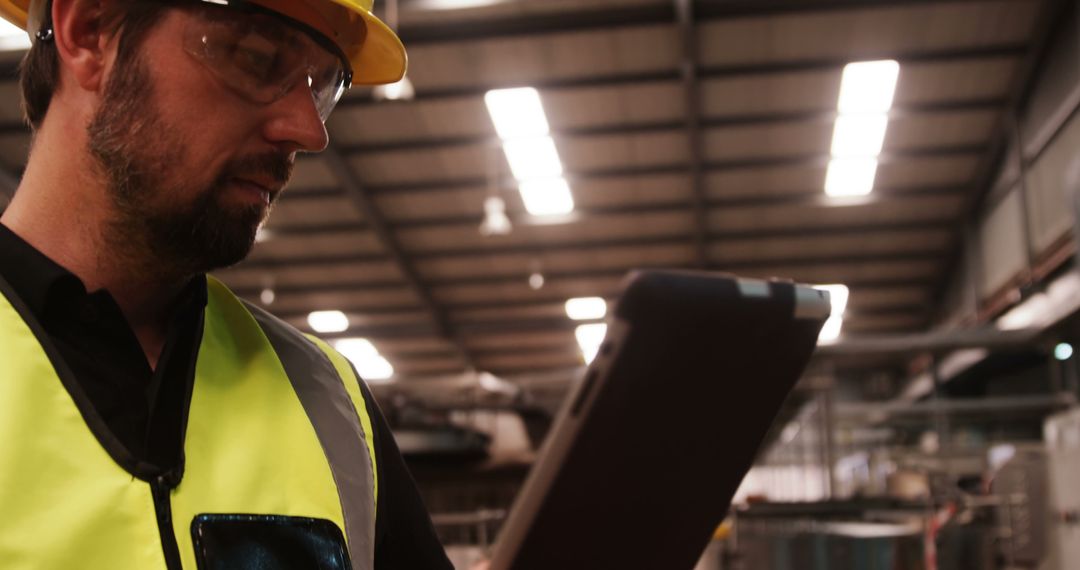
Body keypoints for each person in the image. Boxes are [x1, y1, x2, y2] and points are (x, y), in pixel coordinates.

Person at [0, 0, 452, 568]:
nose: (309, 131)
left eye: (321, 84)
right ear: (89, 30)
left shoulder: (327, 401)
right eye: (256, 58)